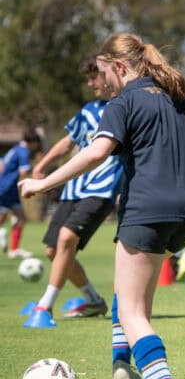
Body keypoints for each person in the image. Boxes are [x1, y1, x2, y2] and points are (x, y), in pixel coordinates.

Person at [19, 32, 185, 379]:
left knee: (133, 311)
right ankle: (122, 362)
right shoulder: (179, 97)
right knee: (131, 299)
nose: (103, 83)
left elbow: (96, 152)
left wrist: (43, 183)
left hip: (147, 210)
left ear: (120, 67)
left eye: (105, 74)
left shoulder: (123, 102)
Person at [25, 56, 123, 328]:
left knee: (67, 238)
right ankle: (92, 300)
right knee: (52, 250)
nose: (91, 83)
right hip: (74, 188)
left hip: (102, 190)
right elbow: (67, 143)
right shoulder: (88, 110)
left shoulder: (124, 107)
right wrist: (42, 166)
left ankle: (45, 305)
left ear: (108, 74)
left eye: (95, 76)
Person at [0, 127, 42, 259]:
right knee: (3, 218)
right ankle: (2, 235)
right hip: (6, 188)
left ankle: (14, 249)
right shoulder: (24, 152)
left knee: (21, 218)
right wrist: (35, 172)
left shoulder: (15, 148)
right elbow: (24, 172)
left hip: (9, 188)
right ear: (33, 142)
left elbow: (1, 164)